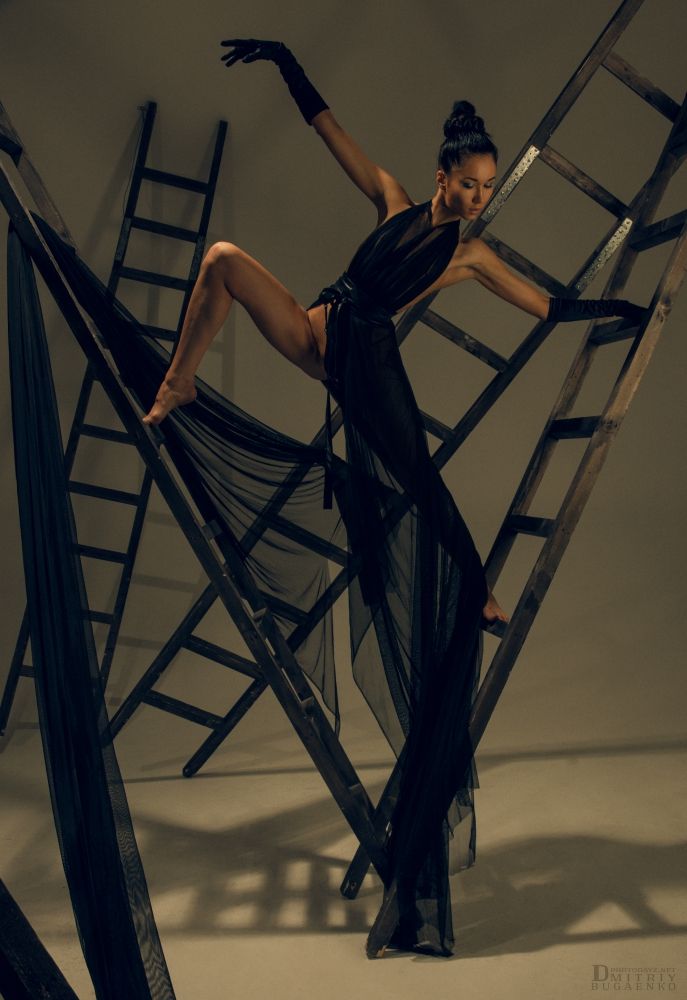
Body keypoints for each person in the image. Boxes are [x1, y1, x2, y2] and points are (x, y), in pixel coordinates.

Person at [143, 39, 644, 957]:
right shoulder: (392, 201)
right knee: (220, 259)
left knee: (416, 481)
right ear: (442, 175)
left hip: (368, 364)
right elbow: (327, 129)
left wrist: (618, 314)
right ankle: (178, 381)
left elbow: (544, 306)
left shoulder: (467, 255)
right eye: (470, 184)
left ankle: (475, 586)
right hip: (320, 333)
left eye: (487, 188)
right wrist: (285, 60)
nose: (478, 197)